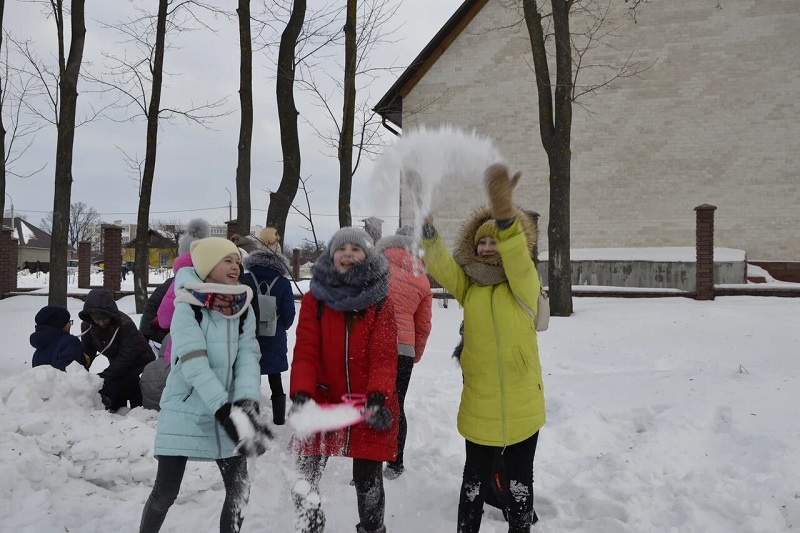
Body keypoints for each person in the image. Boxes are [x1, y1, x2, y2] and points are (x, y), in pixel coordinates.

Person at [419, 164, 544, 533]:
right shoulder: (470, 288)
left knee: (520, 481)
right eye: (482, 242)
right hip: (480, 399)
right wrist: (427, 230)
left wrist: (505, 218)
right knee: (473, 479)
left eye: (494, 241)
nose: (488, 247)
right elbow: (442, 265)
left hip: (523, 400)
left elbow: (519, 259)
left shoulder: (521, 284)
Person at [139, 237, 271, 533]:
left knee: (240, 491)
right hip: (186, 410)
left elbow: (249, 356)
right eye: (227, 260)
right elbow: (194, 364)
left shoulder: (243, 307)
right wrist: (224, 410)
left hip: (228, 412)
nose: (235, 266)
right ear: (208, 265)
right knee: (166, 492)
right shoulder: (189, 307)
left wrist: (247, 403)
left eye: (237, 261)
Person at [290, 227, 399, 533]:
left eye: (356, 249)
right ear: (331, 255)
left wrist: (378, 394)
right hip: (322, 400)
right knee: (305, 476)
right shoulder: (316, 299)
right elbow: (306, 349)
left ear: (367, 257)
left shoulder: (380, 301)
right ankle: (309, 527)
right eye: (342, 248)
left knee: (367, 481)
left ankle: (372, 529)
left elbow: (383, 355)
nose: (348, 254)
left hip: (368, 402)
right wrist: (301, 391)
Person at [375, 227, 432, 480]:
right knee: (397, 404)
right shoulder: (421, 276)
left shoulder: (376, 265)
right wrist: (414, 354)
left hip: (374, 345)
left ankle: (369, 461)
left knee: (372, 401)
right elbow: (423, 325)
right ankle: (396, 461)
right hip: (403, 349)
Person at [242, 226, 296, 425]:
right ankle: (279, 418)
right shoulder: (283, 283)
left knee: (250, 374)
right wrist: (279, 325)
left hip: (248, 335)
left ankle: (252, 415)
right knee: (275, 376)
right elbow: (289, 316)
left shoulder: (245, 279)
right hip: (274, 335)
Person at [80, 289, 156, 412]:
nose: (101, 322)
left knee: (133, 393)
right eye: (96, 318)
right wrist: (81, 371)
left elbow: (126, 356)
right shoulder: (88, 326)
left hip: (140, 362)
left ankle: (137, 417)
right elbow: (88, 350)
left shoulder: (125, 325)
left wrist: (103, 377)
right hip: (117, 362)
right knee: (117, 389)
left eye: (104, 317)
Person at [156, 218, 211, 364]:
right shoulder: (215, 279)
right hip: (213, 351)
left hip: (181, 349)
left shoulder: (177, 283)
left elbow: (164, 320)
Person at [30, 305, 85, 371]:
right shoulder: (70, 343)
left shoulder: (40, 345)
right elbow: (69, 372)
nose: (70, 325)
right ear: (59, 324)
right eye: (68, 322)